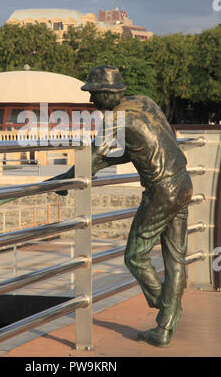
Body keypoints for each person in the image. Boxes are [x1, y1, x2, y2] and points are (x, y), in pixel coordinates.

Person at [55, 65, 193, 347]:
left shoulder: (114, 120)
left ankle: (168, 307)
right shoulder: (144, 101)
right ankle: (165, 326)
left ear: (106, 93)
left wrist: (64, 180)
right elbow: (156, 139)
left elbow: (91, 161)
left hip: (162, 190)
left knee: (134, 256)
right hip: (183, 180)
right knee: (175, 257)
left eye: (94, 95)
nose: (91, 102)